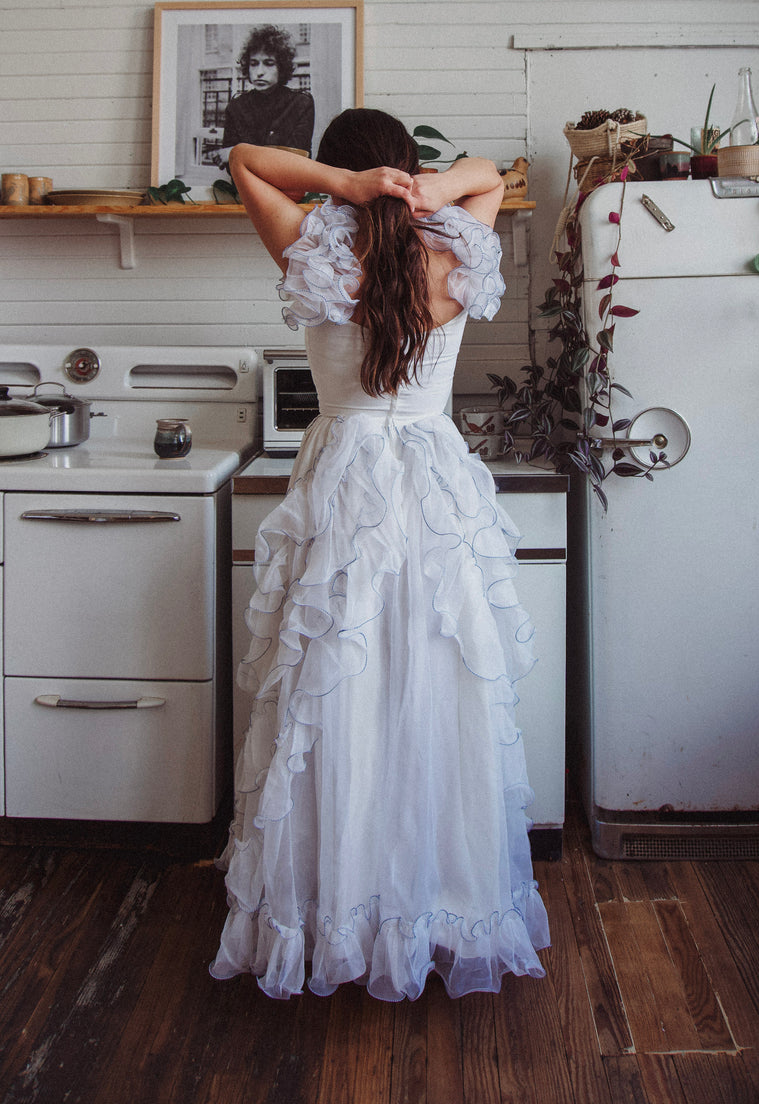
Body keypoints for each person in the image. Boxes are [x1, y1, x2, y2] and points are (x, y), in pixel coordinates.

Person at [210, 108, 550, 1001]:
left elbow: (245, 157)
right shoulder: (456, 246)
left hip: (345, 482)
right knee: (432, 685)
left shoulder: (310, 246)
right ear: (410, 165)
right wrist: (429, 188)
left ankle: (340, 906)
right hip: (431, 483)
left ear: (337, 171)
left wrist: (349, 191)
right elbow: (489, 177)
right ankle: (437, 902)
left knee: (338, 689)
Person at [211, 25, 315, 171]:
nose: (259, 72)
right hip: (246, 187)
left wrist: (236, 152)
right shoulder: (237, 106)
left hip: (287, 189)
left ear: (282, 67)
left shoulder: (300, 103)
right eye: (253, 64)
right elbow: (231, 166)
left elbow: (295, 160)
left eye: (269, 64)